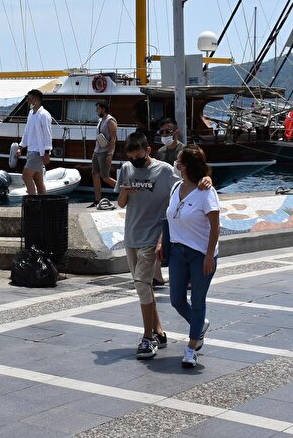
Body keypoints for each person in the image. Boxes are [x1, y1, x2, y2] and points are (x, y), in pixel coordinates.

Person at [115, 131, 178, 360]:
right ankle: (159, 332)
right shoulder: (126, 169)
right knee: (144, 286)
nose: (135, 161)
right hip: (131, 235)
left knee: (142, 285)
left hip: (153, 236)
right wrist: (125, 191)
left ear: (148, 151)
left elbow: (180, 194)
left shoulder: (164, 171)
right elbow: (121, 204)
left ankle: (147, 337)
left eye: (139, 157)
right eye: (132, 157)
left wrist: (204, 181)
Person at [162, 144, 221, 369]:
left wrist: (208, 255)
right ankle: (200, 324)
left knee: (198, 300)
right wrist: (162, 242)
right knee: (176, 299)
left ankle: (191, 348)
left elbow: (215, 226)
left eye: (179, 160)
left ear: (186, 165)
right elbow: (169, 217)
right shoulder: (176, 187)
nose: (176, 163)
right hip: (178, 251)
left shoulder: (207, 192)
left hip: (200, 254)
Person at [17, 88, 52, 196]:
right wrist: (21, 147)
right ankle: (44, 204)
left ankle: (33, 202)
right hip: (31, 151)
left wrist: (47, 152)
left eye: (29, 98)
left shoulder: (44, 115)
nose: (27, 101)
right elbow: (27, 132)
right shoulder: (31, 114)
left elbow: (47, 134)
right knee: (38, 181)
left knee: (26, 176)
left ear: (35, 100)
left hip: (38, 152)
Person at [89, 99, 118, 210]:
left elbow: (113, 139)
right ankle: (97, 200)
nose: (96, 111)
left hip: (105, 152)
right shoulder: (101, 120)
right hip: (97, 151)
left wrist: (110, 155)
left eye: (98, 109)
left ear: (103, 109)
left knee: (105, 177)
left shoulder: (110, 121)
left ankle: (124, 191)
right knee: (94, 174)